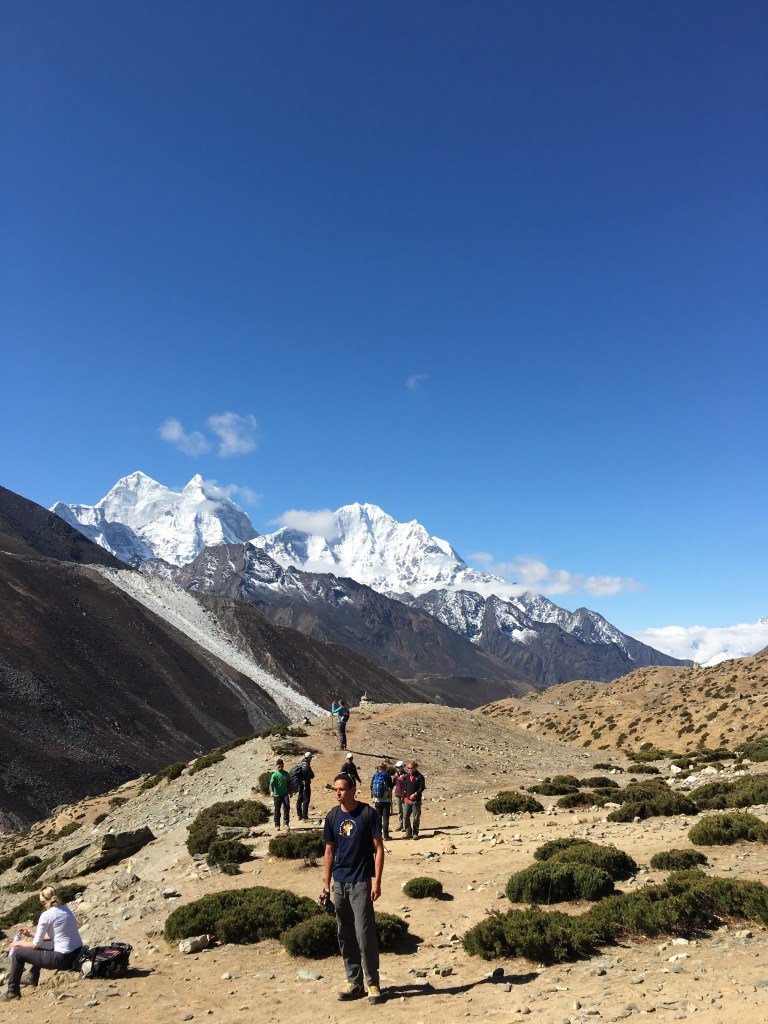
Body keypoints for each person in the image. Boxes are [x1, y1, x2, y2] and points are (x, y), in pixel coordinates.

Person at [322, 773, 384, 1005]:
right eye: (335, 789)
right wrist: (326, 885)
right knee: (345, 934)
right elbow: (329, 851)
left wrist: (376, 881)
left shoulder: (368, 814)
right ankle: (354, 981)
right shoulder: (332, 816)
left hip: (360, 883)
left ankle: (373, 983)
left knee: (364, 934)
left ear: (352, 790)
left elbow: (378, 848)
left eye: (341, 789)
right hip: (340, 883)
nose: (337, 793)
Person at [6, 886, 84, 1000]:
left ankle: (12, 992)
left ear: (42, 901)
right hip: (77, 953)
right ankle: (32, 978)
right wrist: (30, 934)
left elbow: (34, 945)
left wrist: (18, 943)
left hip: (62, 958)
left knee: (18, 953)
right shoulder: (65, 909)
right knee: (42, 947)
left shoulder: (46, 915)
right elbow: (53, 935)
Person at [402, 760, 426, 840]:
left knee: (416, 818)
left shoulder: (420, 777)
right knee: (405, 816)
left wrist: (415, 794)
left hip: (416, 801)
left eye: (411, 768)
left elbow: (421, 788)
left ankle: (415, 833)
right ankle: (408, 832)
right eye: (408, 768)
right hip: (407, 800)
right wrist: (404, 794)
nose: (409, 769)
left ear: (415, 767)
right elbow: (405, 785)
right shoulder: (407, 776)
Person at [370, 761, 393, 841]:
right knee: (386, 818)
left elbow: (371, 786)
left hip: (377, 800)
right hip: (386, 800)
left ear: (378, 768)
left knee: (378, 818)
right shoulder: (387, 775)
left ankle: (378, 835)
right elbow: (391, 785)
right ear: (385, 768)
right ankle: (386, 836)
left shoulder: (375, 775)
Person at [269, 758, 291, 830]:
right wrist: (271, 791)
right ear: (276, 766)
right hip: (277, 795)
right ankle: (277, 825)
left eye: (282, 766)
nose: (281, 768)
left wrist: (290, 791)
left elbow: (289, 783)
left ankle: (286, 823)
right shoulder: (274, 775)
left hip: (285, 794)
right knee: (277, 810)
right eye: (279, 766)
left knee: (286, 808)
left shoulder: (286, 774)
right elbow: (270, 784)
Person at [296, 752, 314, 821]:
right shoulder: (306, 765)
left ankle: (299, 815)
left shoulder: (301, 763)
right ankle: (305, 817)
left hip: (300, 784)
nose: (311, 759)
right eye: (311, 757)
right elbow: (312, 775)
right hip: (305, 784)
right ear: (309, 757)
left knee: (300, 799)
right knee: (306, 800)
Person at [392, 761, 407, 831]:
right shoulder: (396, 774)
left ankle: (405, 825)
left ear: (402, 767)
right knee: (399, 810)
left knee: (405, 810)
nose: (397, 768)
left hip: (404, 795)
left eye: (398, 767)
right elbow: (393, 783)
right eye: (396, 767)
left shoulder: (406, 775)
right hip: (397, 794)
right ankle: (400, 825)